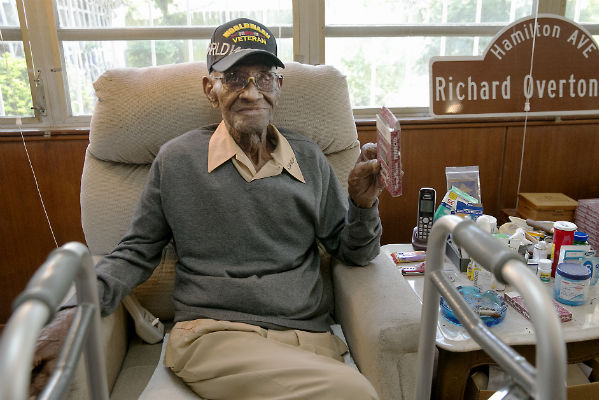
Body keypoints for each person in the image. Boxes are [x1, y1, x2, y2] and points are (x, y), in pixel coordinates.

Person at [32, 17, 384, 400]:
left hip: (306, 338)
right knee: (354, 393)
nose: (251, 93)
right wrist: (73, 311)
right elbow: (134, 253)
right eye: (234, 78)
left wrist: (363, 206)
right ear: (210, 89)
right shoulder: (176, 160)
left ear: (278, 87)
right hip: (213, 336)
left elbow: (354, 253)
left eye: (263, 77)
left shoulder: (310, 158)